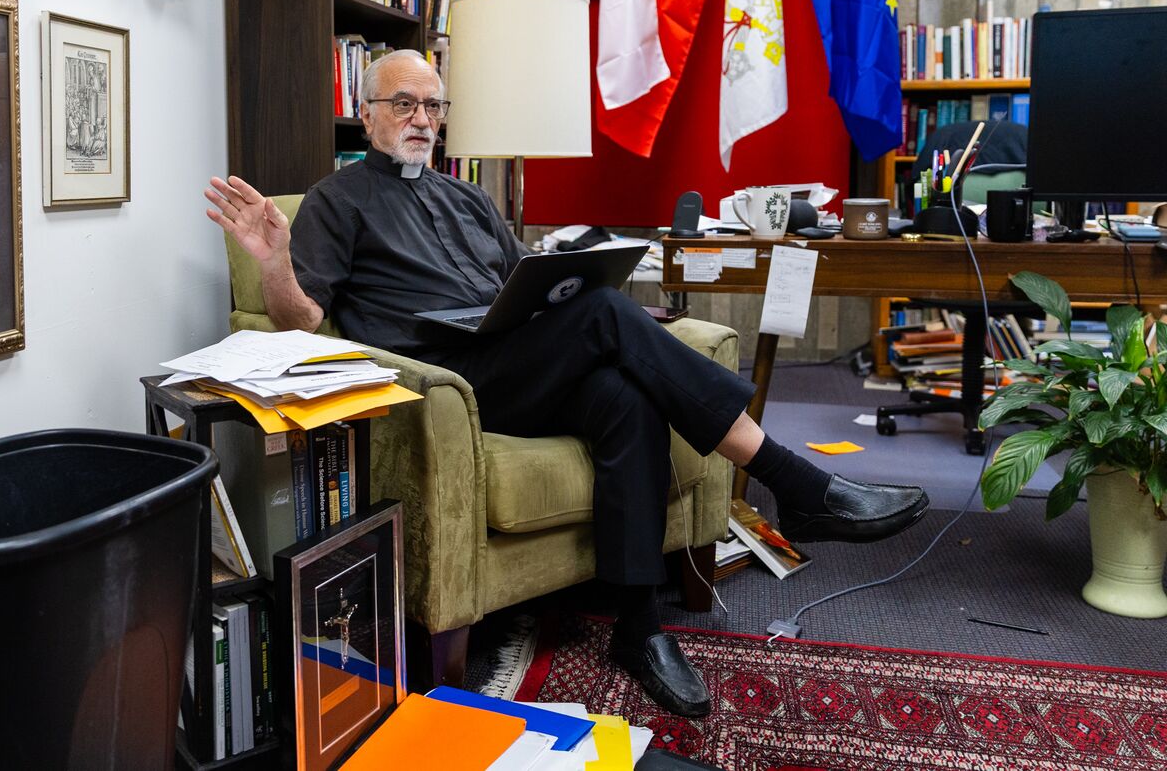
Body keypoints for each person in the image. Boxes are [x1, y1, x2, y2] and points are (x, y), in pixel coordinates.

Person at [204, 50, 929, 720]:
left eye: (433, 105)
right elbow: (301, 318)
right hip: (449, 382)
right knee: (606, 316)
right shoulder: (339, 200)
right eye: (403, 104)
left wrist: (585, 283)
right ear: (367, 113)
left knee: (627, 393)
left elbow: (532, 282)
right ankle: (789, 478)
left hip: (518, 357)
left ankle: (640, 628)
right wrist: (273, 259)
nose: (423, 118)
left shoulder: (468, 199)